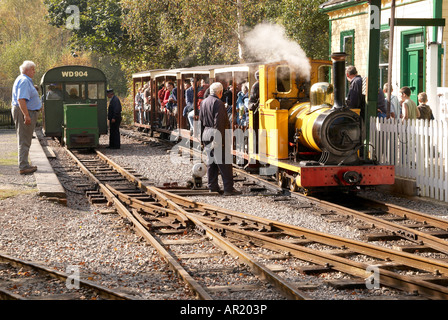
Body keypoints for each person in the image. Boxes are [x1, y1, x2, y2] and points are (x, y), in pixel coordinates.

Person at [199, 82, 241, 196]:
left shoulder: (204, 102)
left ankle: (212, 187)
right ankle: (228, 188)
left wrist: (201, 139)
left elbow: (200, 121)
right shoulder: (218, 103)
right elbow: (219, 122)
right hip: (216, 134)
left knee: (211, 162)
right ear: (220, 92)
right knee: (225, 162)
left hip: (206, 133)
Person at [11, 60, 42, 175]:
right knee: (24, 139)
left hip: (26, 111)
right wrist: (27, 115)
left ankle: (25, 164)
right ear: (27, 70)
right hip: (25, 112)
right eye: (33, 69)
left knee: (25, 139)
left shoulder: (23, 80)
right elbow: (21, 99)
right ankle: (23, 166)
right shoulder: (24, 81)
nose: (34, 72)